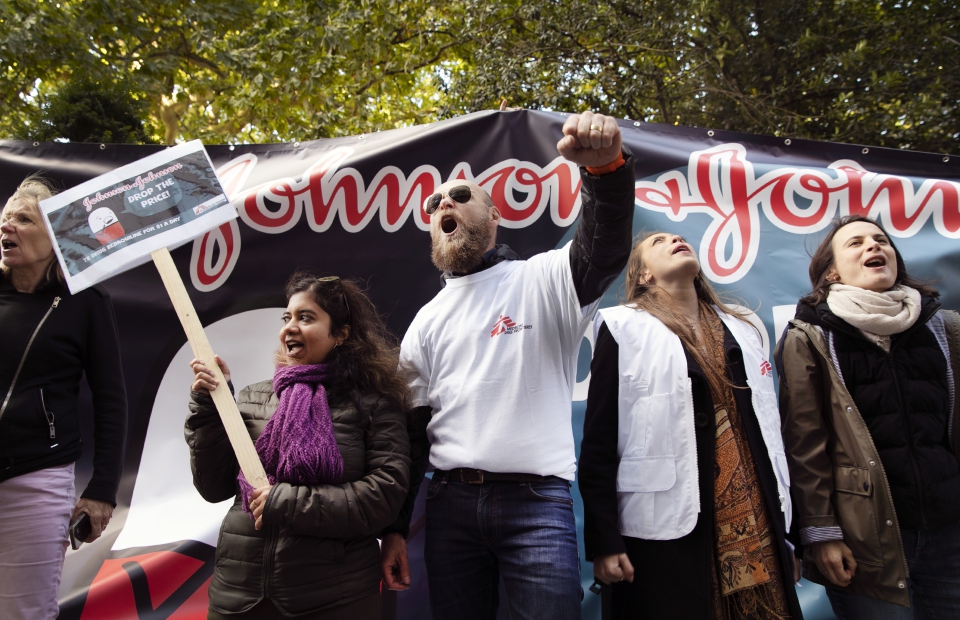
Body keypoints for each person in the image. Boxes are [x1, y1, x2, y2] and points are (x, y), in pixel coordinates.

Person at [379, 111, 636, 619]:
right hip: (449, 506)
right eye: (433, 204)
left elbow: (603, 249)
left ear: (494, 216)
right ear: (431, 231)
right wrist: (394, 527)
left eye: (459, 195)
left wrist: (605, 172)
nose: (443, 203)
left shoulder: (542, 277)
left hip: (537, 505)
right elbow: (409, 437)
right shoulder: (424, 322)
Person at [579, 232, 801, 620]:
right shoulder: (622, 329)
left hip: (759, 520)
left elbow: (770, 435)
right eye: (659, 241)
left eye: (678, 237)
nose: (676, 239)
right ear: (643, 274)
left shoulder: (743, 331)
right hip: (665, 530)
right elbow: (598, 444)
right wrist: (604, 541)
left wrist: (788, 539)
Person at [186, 273, 410, 620]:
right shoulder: (251, 398)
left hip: (334, 600)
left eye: (306, 317)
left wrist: (288, 503)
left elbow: (383, 498)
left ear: (341, 334)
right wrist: (209, 410)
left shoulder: (374, 405)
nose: (289, 327)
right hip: (239, 597)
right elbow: (213, 486)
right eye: (287, 317)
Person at [777, 215, 960, 619]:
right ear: (831, 271)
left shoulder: (946, 328)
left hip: (950, 535)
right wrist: (822, 534)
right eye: (856, 243)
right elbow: (805, 446)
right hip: (865, 542)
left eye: (880, 240)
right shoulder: (809, 336)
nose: (873, 247)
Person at [0, 178, 127, 619]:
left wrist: (103, 491)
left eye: (22, 219)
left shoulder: (87, 302)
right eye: (5, 218)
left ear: (55, 236)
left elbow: (111, 400)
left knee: (24, 613)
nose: (8, 227)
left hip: (36, 482)